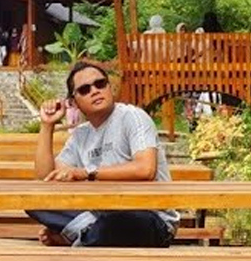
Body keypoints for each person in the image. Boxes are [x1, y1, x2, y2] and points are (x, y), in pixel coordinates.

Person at [27, 60, 176, 247]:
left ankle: (78, 236)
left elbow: (145, 169)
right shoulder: (81, 135)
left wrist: (86, 173)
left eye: (100, 84)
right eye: (84, 90)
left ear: (109, 87)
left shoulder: (132, 117)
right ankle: (87, 234)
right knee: (32, 198)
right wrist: (47, 125)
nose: (94, 91)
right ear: (73, 103)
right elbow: (44, 180)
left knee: (113, 224)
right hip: (100, 215)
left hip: (149, 217)